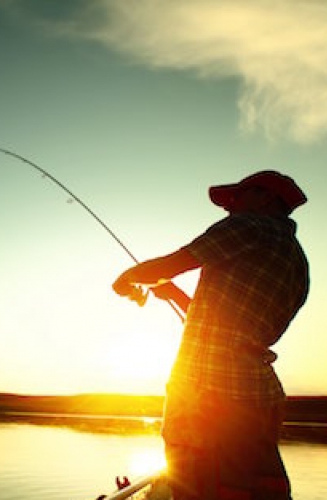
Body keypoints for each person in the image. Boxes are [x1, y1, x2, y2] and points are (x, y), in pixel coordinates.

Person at [112, 170, 309, 500]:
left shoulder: (248, 226)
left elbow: (175, 262)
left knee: (197, 485)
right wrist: (173, 294)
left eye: (237, 199)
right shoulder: (297, 260)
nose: (229, 209)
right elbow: (232, 325)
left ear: (266, 198)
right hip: (261, 396)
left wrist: (128, 278)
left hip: (208, 391)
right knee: (253, 488)